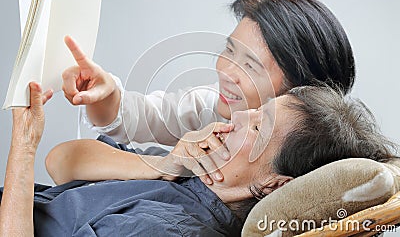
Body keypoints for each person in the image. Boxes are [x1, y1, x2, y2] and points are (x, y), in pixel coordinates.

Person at [2, 82, 395, 236]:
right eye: (257, 111)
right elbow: (62, 162)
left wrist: (22, 147)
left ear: (276, 184)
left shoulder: (169, 231)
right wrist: (162, 165)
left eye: (257, 128)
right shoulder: (193, 173)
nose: (238, 116)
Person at [56, 0, 356, 184]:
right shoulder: (212, 106)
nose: (226, 71)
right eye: (229, 51)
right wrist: (104, 93)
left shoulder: (295, 174)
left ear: (300, 95)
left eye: (251, 66)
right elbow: (139, 116)